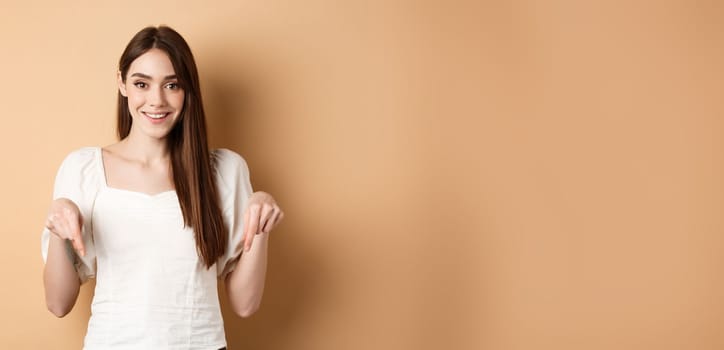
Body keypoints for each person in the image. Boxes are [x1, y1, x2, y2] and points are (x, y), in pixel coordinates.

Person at [41, 25, 284, 349]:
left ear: (188, 91)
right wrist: (58, 225)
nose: (156, 100)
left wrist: (261, 223)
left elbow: (245, 304)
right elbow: (59, 304)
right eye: (142, 83)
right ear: (122, 84)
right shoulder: (83, 170)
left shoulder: (225, 172)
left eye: (172, 85)